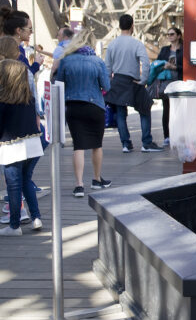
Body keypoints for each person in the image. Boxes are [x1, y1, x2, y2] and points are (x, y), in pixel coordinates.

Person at [53, 29, 112, 197]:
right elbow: (106, 87)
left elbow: (59, 83)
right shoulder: (97, 61)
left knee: (78, 146)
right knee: (96, 145)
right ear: (92, 43)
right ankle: (96, 179)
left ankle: (79, 185)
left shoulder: (66, 60)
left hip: (73, 106)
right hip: (95, 106)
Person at [104, 14, 163, 153]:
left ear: (119, 26)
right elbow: (146, 64)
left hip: (117, 80)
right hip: (133, 81)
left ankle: (126, 144)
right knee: (145, 108)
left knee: (120, 113)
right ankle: (146, 142)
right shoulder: (136, 44)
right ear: (132, 26)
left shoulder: (112, 44)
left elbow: (107, 67)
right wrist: (143, 80)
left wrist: (109, 82)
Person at [0, 58, 44, 235]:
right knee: (26, 180)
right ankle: (36, 217)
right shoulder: (29, 99)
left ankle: (14, 225)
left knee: (13, 186)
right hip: (33, 145)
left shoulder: (3, 102)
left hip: (12, 148)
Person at [155, 26, 183, 147]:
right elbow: (157, 64)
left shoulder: (183, 50)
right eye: (168, 35)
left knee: (178, 111)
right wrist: (163, 66)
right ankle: (167, 136)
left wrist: (175, 67)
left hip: (179, 83)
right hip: (166, 84)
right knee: (166, 110)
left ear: (178, 36)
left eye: (172, 34)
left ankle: (178, 135)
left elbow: (187, 66)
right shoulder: (165, 50)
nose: (169, 36)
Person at [0, 6, 41, 74]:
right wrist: (37, 63)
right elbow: (26, 76)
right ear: (19, 30)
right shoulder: (17, 50)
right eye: (30, 29)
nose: (32, 32)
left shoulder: (8, 47)